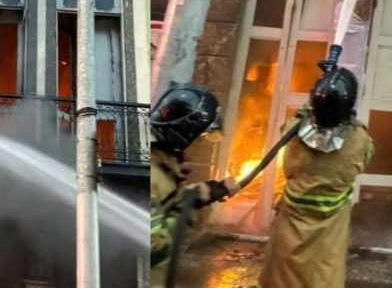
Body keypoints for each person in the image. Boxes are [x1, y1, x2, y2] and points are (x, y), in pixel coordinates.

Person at [259, 64, 374, 288]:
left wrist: (321, 96)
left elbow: (295, 120)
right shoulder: (360, 141)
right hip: (328, 240)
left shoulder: (293, 132)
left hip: (288, 232)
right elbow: (365, 151)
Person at [150, 83, 238, 287]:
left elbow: (169, 205)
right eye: (199, 138)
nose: (200, 144)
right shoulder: (153, 177)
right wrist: (194, 203)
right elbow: (154, 247)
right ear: (184, 136)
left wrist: (208, 192)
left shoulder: (164, 165)